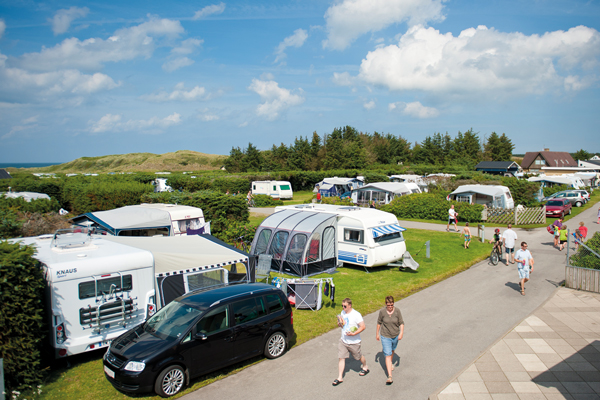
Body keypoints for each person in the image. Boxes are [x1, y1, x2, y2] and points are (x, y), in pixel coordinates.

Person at [333, 298, 369, 386]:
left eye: (344, 306)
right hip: (344, 340)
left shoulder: (356, 315)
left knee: (358, 356)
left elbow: (363, 326)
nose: (343, 307)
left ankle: (365, 366)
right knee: (341, 357)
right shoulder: (342, 313)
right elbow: (343, 325)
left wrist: (354, 333)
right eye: (342, 306)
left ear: (350, 305)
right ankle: (340, 377)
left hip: (354, 342)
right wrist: (340, 324)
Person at [376, 296, 404, 385]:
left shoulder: (397, 311)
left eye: (392, 305)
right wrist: (377, 334)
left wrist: (401, 333)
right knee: (387, 354)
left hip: (395, 335)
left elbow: (401, 323)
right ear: (386, 304)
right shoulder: (382, 312)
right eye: (389, 305)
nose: (390, 306)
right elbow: (379, 323)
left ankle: (390, 362)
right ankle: (390, 376)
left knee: (392, 350)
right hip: (385, 335)